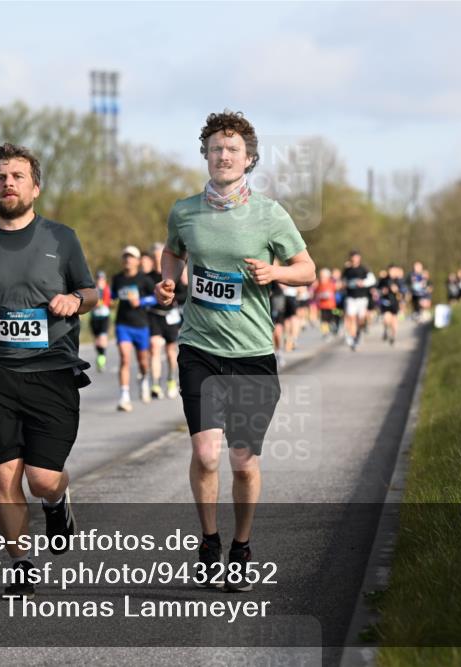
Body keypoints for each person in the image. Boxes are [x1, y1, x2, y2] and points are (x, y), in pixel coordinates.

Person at [156, 110, 316, 591]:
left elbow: (307, 269)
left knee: (243, 461)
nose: (223, 156)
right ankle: (209, 541)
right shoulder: (185, 211)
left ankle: (241, 547)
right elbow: (173, 251)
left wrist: (275, 274)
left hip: (251, 353)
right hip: (199, 348)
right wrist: (168, 280)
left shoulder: (269, 213)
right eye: (215, 148)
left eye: (233, 150)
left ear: (249, 159)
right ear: (204, 154)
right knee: (206, 455)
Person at [0, 143, 97, 598]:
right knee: (2, 475)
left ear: (35, 185)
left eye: (16, 176)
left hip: (53, 370)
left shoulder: (62, 238)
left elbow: (90, 292)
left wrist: (75, 300)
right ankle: (21, 562)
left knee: (42, 478)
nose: (7, 183)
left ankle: (57, 502)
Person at [111, 245, 155, 411]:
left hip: (141, 325)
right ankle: (124, 396)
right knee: (124, 357)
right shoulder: (117, 278)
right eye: (125, 257)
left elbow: (157, 298)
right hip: (123, 324)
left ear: (137, 261)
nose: (128, 260)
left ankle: (144, 378)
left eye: (131, 257)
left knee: (143, 361)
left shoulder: (145, 280)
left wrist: (141, 302)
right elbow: (113, 295)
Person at [145, 242, 186, 400]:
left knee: (170, 352)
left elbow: (184, 294)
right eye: (154, 258)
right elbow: (142, 296)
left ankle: (171, 380)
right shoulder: (147, 278)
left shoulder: (172, 276)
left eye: (159, 257)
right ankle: (155, 384)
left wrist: (172, 298)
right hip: (154, 316)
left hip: (170, 316)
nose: (157, 261)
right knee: (154, 347)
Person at [341, 250, 375, 351]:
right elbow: (343, 281)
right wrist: (343, 284)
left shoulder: (364, 269)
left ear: (359, 258)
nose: (354, 259)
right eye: (352, 257)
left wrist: (363, 283)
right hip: (351, 297)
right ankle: (353, 337)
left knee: (360, 319)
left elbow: (372, 280)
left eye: (356, 257)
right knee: (351, 317)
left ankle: (359, 333)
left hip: (362, 298)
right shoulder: (347, 270)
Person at [89, 270, 112, 372]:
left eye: (102, 279)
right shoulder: (93, 289)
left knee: (102, 338)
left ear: (104, 280)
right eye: (98, 279)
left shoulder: (107, 289)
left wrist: (100, 302)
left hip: (104, 317)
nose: (100, 281)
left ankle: (102, 357)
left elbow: (107, 301)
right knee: (96, 340)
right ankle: (99, 355)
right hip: (94, 317)